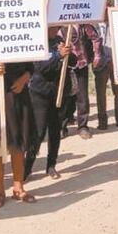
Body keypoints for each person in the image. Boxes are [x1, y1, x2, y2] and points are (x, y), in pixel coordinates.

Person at [0, 59, 35, 207]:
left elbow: (30, 67)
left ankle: (18, 188)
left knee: (18, 146)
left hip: (18, 101)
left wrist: (23, 79)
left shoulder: (18, 43)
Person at [25, 26, 74, 180]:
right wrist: (57, 55)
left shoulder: (60, 41)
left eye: (57, 27)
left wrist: (68, 53)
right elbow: (40, 67)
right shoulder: (37, 43)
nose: (56, 30)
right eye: (53, 27)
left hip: (58, 94)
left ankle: (51, 165)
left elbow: (73, 62)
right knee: (38, 132)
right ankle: (27, 167)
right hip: (40, 93)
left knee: (55, 130)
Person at [64, 24, 103, 140]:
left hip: (81, 65)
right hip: (63, 66)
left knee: (82, 97)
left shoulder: (84, 26)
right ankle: (62, 126)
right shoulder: (59, 26)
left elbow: (96, 38)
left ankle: (83, 126)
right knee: (64, 97)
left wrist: (97, 56)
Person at [92, 23, 118, 130]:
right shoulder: (93, 25)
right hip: (100, 64)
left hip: (116, 62)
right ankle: (102, 122)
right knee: (101, 94)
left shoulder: (115, 22)